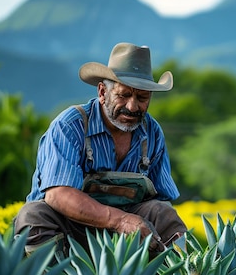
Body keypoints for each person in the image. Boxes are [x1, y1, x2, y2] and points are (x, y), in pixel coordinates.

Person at [14, 42, 187, 258]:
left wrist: (139, 225)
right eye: (123, 95)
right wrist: (119, 221)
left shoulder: (151, 132)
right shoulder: (70, 126)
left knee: (162, 214)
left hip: (124, 239)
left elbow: (161, 198)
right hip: (69, 230)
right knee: (34, 215)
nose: (133, 107)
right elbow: (58, 195)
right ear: (103, 91)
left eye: (142, 98)